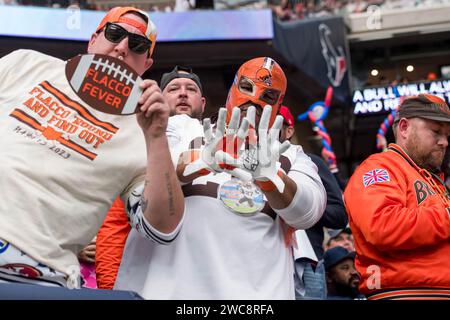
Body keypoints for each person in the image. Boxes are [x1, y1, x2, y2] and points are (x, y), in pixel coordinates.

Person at [0, 6, 184, 288]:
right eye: (114, 33)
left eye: (137, 45)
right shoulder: (27, 63)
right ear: (93, 39)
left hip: (37, 278)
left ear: (146, 64)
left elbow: (162, 229)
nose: (122, 48)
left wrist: (157, 138)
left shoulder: (144, 133)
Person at [114, 57, 327, 299]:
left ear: (278, 105)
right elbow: (143, 167)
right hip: (167, 291)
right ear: (232, 89)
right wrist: (199, 160)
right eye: (246, 88)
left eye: (268, 97)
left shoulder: (290, 155)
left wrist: (271, 177)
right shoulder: (182, 128)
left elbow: (308, 212)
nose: (253, 101)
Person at [95, 65, 206, 290]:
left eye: (191, 89)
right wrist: (109, 288)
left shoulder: (223, 143)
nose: (183, 93)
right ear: (160, 99)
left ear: (203, 103)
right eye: (174, 88)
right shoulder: (136, 141)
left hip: (206, 281)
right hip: (149, 283)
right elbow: (115, 225)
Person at [344, 94, 450, 299]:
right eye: (436, 132)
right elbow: (382, 226)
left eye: (447, 134)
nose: (444, 142)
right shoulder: (379, 167)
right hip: (407, 293)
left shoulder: (432, 179)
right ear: (404, 128)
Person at [279, 106, 348, 300]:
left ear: (289, 130)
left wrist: (303, 204)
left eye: (276, 122)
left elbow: (339, 216)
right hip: (266, 260)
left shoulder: (310, 163)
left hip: (308, 262)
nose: (268, 126)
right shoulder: (249, 162)